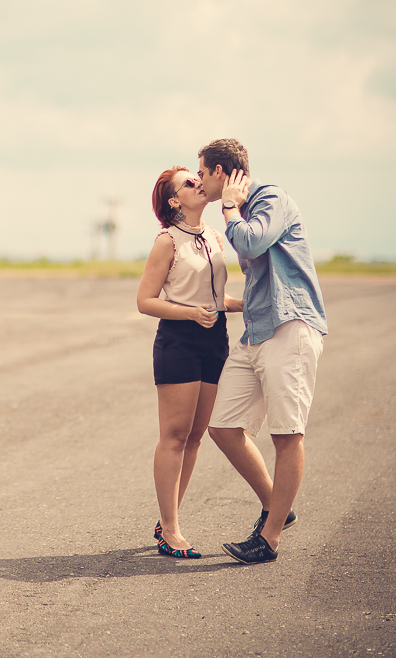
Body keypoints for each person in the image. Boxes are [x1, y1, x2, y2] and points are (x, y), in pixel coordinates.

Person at [196, 138, 327, 565]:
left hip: (290, 327)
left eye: (202, 173)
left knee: (287, 435)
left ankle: (269, 540)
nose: (199, 181)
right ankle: (278, 507)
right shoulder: (245, 207)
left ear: (220, 172)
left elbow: (251, 244)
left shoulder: (270, 199)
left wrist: (229, 207)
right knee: (223, 426)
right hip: (257, 331)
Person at [136, 166, 242, 558]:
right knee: (175, 436)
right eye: (188, 182)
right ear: (174, 201)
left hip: (215, 338)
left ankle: (168, 521)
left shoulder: (214, 235)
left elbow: (214, 298)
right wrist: (191, 314)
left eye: (196, 178)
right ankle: (171, 530)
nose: (198, 182)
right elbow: (145, 301)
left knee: (196, 436)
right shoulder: (167, 241)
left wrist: (245, 304)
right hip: (179, 339)